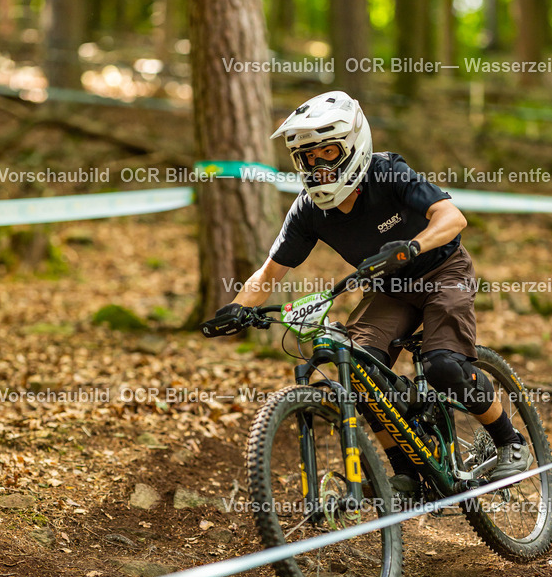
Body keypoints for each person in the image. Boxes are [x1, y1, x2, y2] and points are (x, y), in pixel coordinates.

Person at [214, 91, 533, 492]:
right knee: (359, 373)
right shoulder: (309, 210)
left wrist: (414, 245)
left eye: (328, 151)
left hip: (442, 270)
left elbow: (453, 217)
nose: (320, 165)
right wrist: (236, 308)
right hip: (390, 290)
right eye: (309, 157)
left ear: (351, 146)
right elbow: (269, 272)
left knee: (443, 366)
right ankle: (405, 472)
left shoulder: (389, 173)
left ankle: (510, 441)